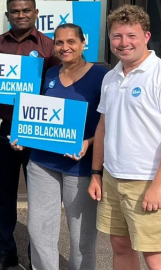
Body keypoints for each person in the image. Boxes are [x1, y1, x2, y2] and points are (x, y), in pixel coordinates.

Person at [88, 5, 161, 270]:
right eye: (117, 36)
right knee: (120, 247)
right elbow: (103, 126)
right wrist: (97, 173)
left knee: (155, 255)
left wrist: (158, 186)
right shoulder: (110, 78)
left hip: (149, 180)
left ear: (146, 36)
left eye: (131, 35)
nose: (124, 43)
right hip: (113, 178)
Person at [0, 0, 59, 270]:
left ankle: (36, 255)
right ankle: (5, 253)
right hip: (3, 131)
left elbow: (57, 91)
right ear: (7, 15)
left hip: (38, 133)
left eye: (26, 10)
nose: (20, 15)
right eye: (15, 11)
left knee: (39, 199)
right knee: (2, 196)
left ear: (36, 13)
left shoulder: (50, 47)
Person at [14, 24, 105, 270]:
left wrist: (88, 143)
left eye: (71, 42)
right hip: (43, 163)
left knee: (81, 237)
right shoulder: (50, 74)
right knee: (39, 229)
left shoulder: (101, 76)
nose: (65, 47)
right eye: (59, 42)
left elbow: (110, 124)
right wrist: (23, 135)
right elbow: (36, 114)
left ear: (83, 43)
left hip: (81, 167)